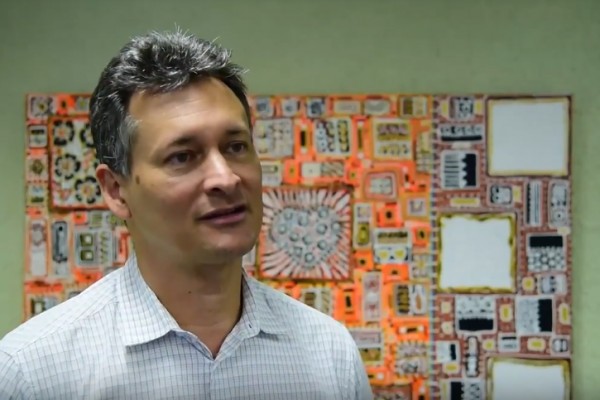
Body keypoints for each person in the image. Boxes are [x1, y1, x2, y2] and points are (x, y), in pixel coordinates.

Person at [0, 30, 373, 400]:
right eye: (182, 157)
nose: (225, 178)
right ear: (115, 190)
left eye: (236, 147)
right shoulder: (32, 373)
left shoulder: (329, 355)